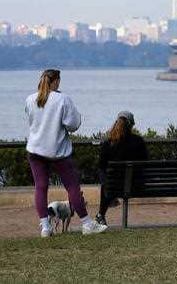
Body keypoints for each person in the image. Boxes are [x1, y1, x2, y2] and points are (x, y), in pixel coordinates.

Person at [24, 69, 108, 237]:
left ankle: (45, 228)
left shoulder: (31, 99)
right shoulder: (63, 99)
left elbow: (32, 121)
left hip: (35, 150)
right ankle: (86, 224)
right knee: (72, 187)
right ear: (56, 82)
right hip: (58, 151)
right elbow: (73, 124)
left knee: (40, 188)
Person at [96, 111, 148, 226]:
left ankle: (100, 215)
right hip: (137, 186)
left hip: (114, 188)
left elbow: (100, 167)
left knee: (107, 183)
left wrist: (106, 184)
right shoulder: (138, 141)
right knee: (110, 183)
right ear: (131, 125)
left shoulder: (108, 143)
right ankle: (102, 210)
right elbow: (146, 163)